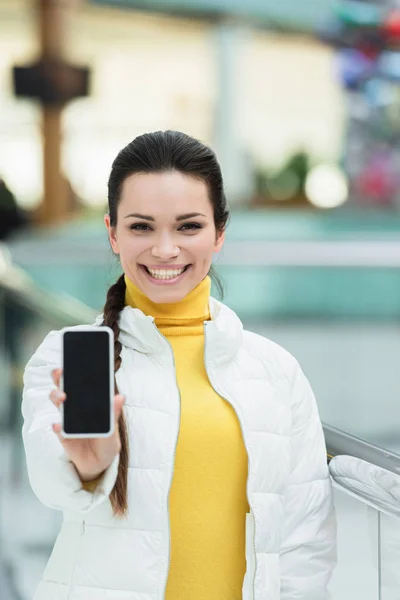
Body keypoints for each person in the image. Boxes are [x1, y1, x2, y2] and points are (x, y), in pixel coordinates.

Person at [22, 130, 336, 600]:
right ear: (112, 232)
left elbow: (305, 538)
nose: (165, 249)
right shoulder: (67, 354)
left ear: (220, 233)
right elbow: (50, 483)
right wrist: (86, 471)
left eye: (188, 226)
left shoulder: (275, 370)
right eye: (141, 227)